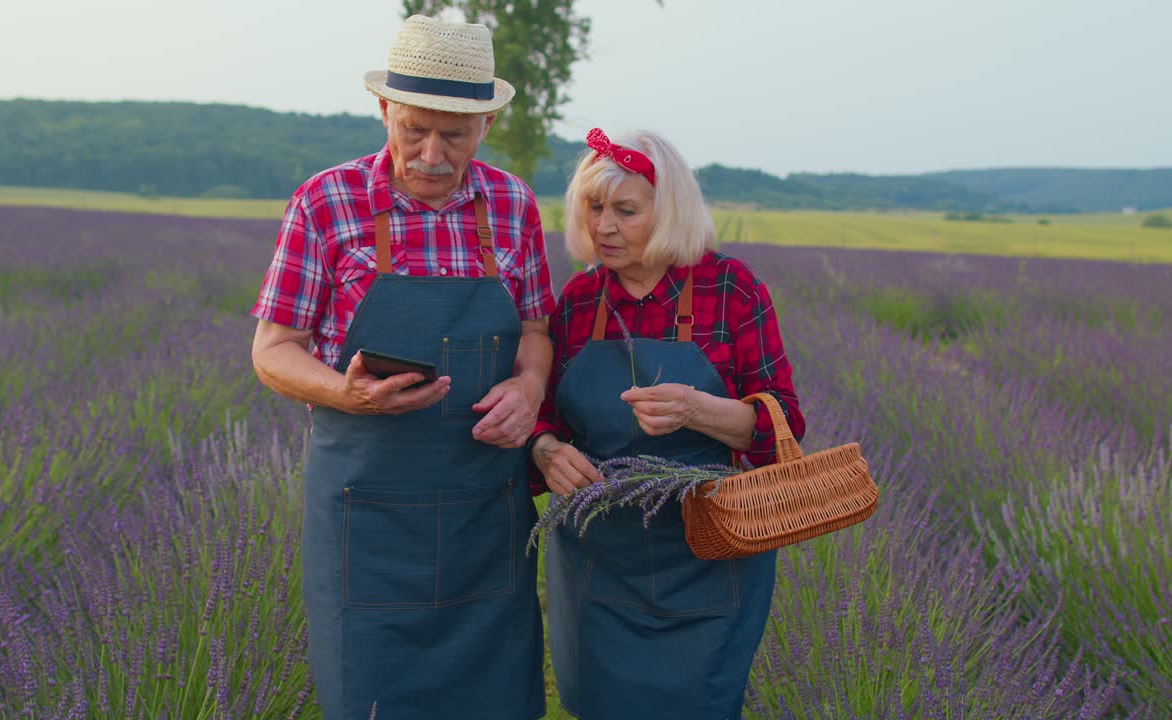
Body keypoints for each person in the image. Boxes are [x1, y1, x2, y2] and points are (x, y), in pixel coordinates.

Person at [250, 15, 555, 720]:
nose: (431, 153)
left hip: (485, 518)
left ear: (485, 124)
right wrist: (345, 394)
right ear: (385, 109)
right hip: (368, 522)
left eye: (454, 134)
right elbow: (273, 350)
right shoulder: (326, 203)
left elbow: (536, 327)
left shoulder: (511, 207)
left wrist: (530, 384)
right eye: (414, 128)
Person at [528, 128, 806, 720]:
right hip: (599, 559)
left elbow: (784, 426)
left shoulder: (730, 288)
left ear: (669, 211)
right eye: (594, 208)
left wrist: (698, 410)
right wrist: (547, 451)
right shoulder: (579, 301)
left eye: (625, 211)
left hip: (710, 553)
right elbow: (542, 416)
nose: (604, 227)